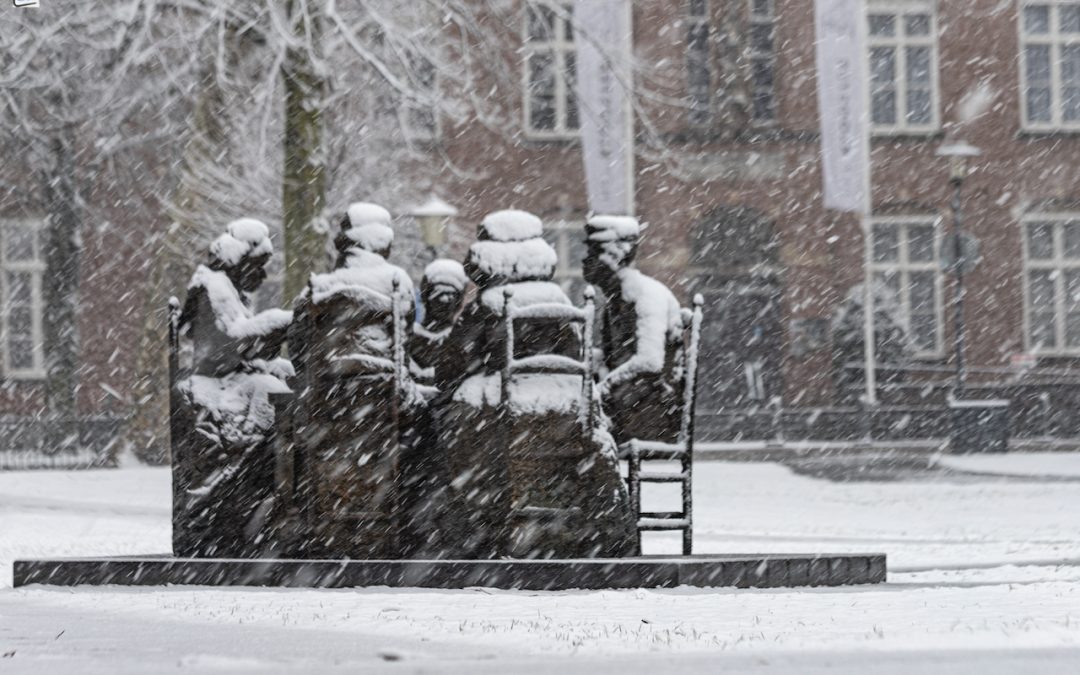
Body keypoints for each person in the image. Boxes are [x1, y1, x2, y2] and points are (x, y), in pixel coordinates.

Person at [435, 209, 636, 559]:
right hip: (564, 412)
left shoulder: (487, 304)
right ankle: (591, 524)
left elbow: (451, 368)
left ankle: (481, 519)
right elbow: (578, 357)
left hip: (503, 416)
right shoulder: (559, 301)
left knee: (453, 429)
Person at [173, 218, 293, 558]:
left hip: (231, 377)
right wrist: (280, 321)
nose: (263, 276)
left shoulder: (226, 286)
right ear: (241, 258)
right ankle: (271, 485)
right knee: (281, 403)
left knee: (283, 382)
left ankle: (273, 486)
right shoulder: (215, 285)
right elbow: (232, 337)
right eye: (259, 266)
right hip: (220, 383)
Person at [582, 215, 685, 445]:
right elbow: (611, 357)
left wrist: (604, 386)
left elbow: (650, 361)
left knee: (572, 432)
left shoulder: (645, 295)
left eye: (592, 253)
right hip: (629, 406)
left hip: (651, 414)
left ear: (615, 255)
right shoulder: (618, 298)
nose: (585, 261)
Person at [409, 259, 468, 388]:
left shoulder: (461, 337)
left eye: (451, 295)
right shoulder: (412, 337)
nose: (445, 300)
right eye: (439, 294)